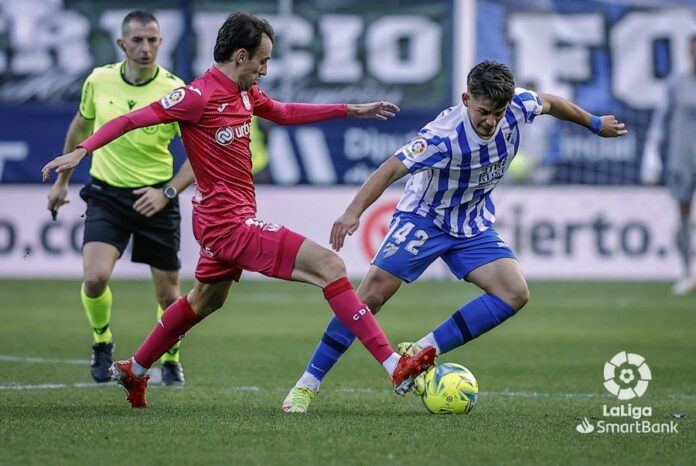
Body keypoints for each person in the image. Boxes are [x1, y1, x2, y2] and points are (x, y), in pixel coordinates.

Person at [42, 12, 436, 409]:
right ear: (241, 56)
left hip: (225, 222)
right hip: (227, 225)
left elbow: (283, 112)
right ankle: (392, 365)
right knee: (330, 268)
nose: (265, 70)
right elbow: (131, 119)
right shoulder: (197, 96)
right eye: (262, 61)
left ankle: (136, 369)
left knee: (203, 301)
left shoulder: (245, 93)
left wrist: (350, 110)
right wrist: (81, 151)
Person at [281, 60, 628, 413]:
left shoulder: (519, 105)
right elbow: (389, 169)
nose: (491, 121)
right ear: (466, 99)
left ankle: (422, 350)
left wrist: (595, 123)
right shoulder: (442, 136)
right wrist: (353, 212)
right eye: (483, 111)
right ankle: (307, 385)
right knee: (368, 297)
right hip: (424, 219)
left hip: (471, 222)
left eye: (498, 112)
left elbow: (552, 103)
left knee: (514, 293)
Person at [46, 10, 195, 386]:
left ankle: (171, 359)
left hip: (156, 198)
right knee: (94, 278)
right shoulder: (99, 80)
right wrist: (63, 182)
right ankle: (102, 342)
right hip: (106, 194)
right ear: (122, 44)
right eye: (138, 40)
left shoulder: (177, 90)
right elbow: (80, 129)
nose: (146, 48)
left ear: (162, 42)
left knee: (169, 296)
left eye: (153, 40)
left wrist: (167, 193)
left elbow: (199, 157)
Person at [642, 36, 696, 295]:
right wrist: (651, 154)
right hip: (682, 158)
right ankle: (687, 272)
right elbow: (660, 121)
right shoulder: (677, 84)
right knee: (684, 216)